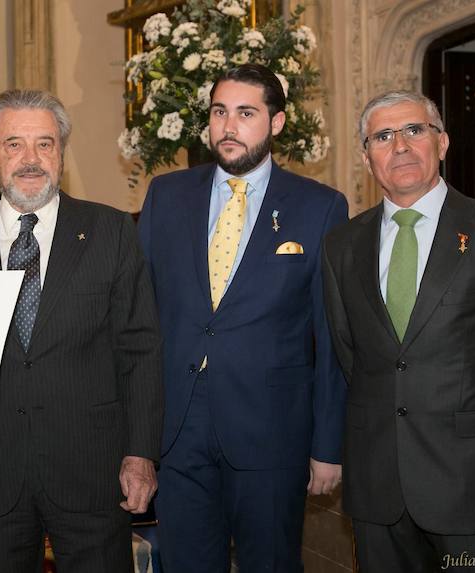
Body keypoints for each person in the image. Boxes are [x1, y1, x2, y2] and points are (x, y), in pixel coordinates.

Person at [0, 89, 164, 572]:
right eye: (13, 144)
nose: (31, 160)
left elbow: (141, 350)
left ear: (62, 153)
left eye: (44, 144)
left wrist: (141, 454)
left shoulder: (110, 232)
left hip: (92, 471)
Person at [322, 90, 475, 572]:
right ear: (367, 157)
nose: (399, 146)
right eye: (382, 136)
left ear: (442, 142)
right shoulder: (340, 246)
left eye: (414, 130)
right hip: (379, 485)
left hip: (474, 481)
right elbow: (350, 356)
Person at [138, 63, 348, 572]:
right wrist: (136, 441)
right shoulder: (167, 196)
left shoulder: (319, 207)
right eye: (219, 112)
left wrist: (328, 446)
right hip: (179, 428)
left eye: (246, 113)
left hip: (271, 432)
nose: (228, 127)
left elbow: (332, 338)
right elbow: (139, 319)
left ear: (276, 123)